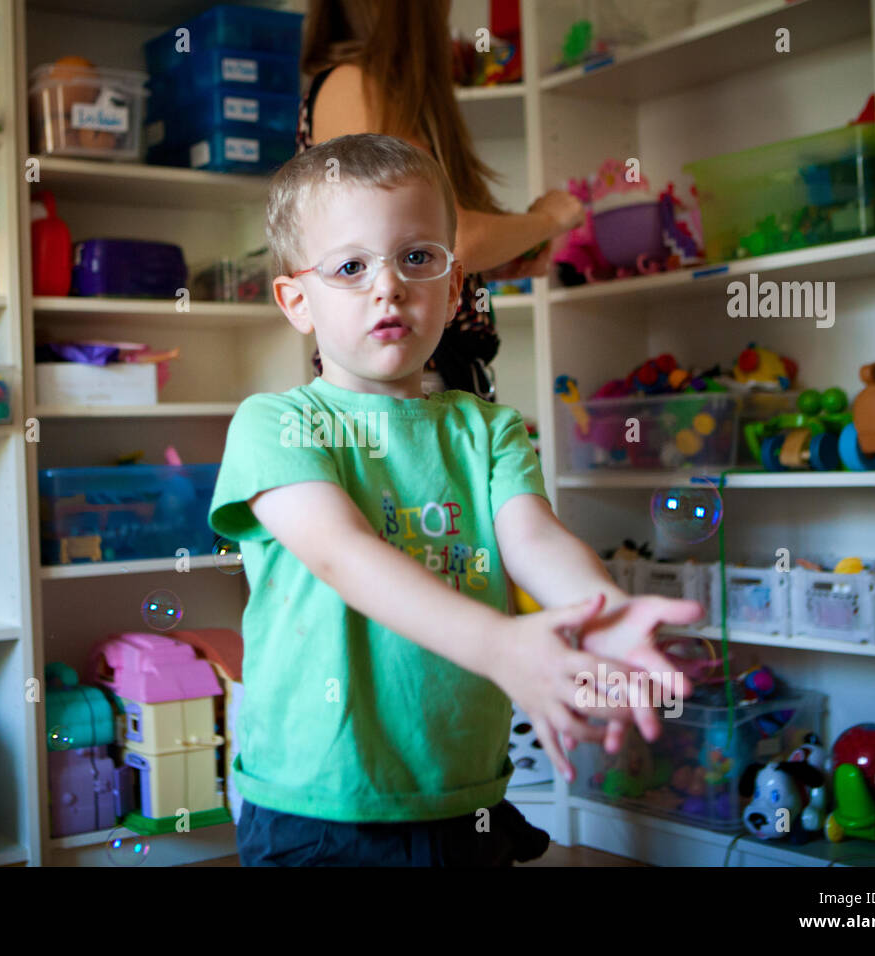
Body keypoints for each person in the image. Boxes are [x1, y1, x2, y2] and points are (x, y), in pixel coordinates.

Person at [208, 134, 704, 866]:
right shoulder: (275, 424)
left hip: (464, 793)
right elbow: (344, 555)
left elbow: (533, 539)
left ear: (454, 281)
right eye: (350, 267)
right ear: (296, 300)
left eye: (417, 258)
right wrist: (502, 646)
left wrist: (605, 615)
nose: (389, 286)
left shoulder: (490, 427)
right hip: (319, 804)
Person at [296, 0, 585, 400]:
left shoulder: (382, 93)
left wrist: (489, 265)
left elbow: (422, 247)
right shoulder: (352, 85)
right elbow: (456, 241)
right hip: (403, 393)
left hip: (430, 387)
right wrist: (551, 219)